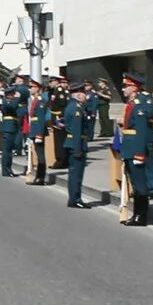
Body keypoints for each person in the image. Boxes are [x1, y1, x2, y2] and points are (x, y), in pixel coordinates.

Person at [116, 72, 153, 226]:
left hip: (135, 149)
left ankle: (141, 216)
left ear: (134, 88)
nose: (123, 89)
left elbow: (140, 131)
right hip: (129, 148)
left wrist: (139, 154)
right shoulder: (131, 104)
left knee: (139, 184)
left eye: (126, 86)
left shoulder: (139, 105)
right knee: (135, 183)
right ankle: (137, 214)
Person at [59, 78, 96, 208]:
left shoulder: (76, 106)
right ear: (78, 94)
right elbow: (76, 130)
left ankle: (73, 198)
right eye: (83, 93)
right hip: (77, 143)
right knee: (76, 174)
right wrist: (77, 149)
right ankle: (75, 199)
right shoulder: (76, 108)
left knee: (75, 173)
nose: (85, 95)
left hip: (74, 142)